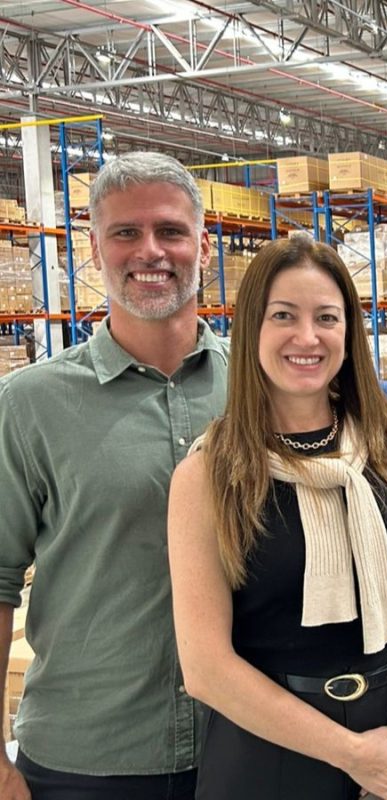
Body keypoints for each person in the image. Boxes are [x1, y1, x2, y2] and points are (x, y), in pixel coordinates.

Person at [167, 236, 387, 800]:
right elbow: (205, 667)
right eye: (284, 316)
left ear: (349, 331)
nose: (308, 337)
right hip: (268, 753)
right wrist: (354, 756)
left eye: (326, 318)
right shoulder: (208, 475)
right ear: (252, 328)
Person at [0, 151, 224, 798]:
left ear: (203, 248)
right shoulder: (31, 404)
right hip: (86, 761)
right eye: (126, 232)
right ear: (95, 250)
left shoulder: (260, 388)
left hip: (244, 745)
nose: (150, 251)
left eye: (171, 231)